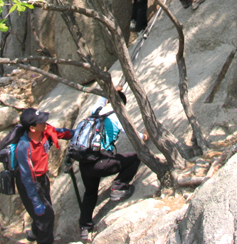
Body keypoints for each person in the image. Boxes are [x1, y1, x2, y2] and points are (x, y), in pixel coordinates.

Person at [78, 89, 146, 242]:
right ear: (121, 106)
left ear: (109, 101)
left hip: (85, 162)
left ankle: (84, 227)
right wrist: (145, 136)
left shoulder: (96, 110)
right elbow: (133, 134)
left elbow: (101, 99)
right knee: (135, 158)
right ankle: (118, 187)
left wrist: (111, 90)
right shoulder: (117, 116)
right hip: (101, 161)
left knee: (90, 193)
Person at [15, 108, 73, 244]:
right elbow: (26, 177)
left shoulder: (45, 132)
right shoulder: (24, 146)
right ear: (32, 128)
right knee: (46, 217)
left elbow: (62, 133)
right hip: (28, 183)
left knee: (44, 213)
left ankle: (34, 232)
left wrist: (80, 132)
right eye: (41, 121)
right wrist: (35, 200)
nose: (45, 122)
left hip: (42, 178)